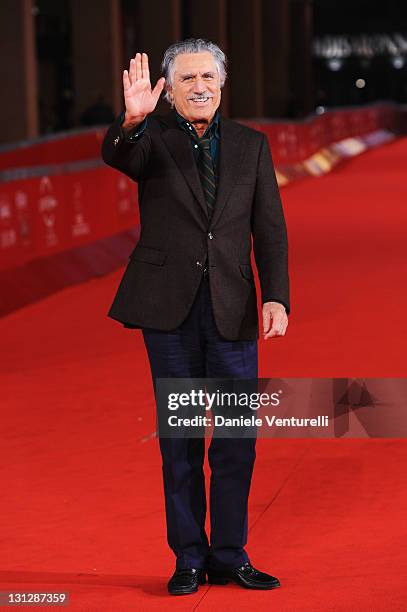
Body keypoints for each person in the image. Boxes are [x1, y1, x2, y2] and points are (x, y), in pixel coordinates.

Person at [101, 38, 289, 596]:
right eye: (186, 79)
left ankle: (230, 555)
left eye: (207, 76)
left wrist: (275, 296)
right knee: (179, 439)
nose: (199, 86)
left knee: (236, 440)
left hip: (232, 310)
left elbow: (269, 227)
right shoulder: (150, 140)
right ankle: (188, 557)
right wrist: (130, 120)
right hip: (169, 312)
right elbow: (119, 155)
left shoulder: (253, 145)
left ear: (223, 83)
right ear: (170, 90)